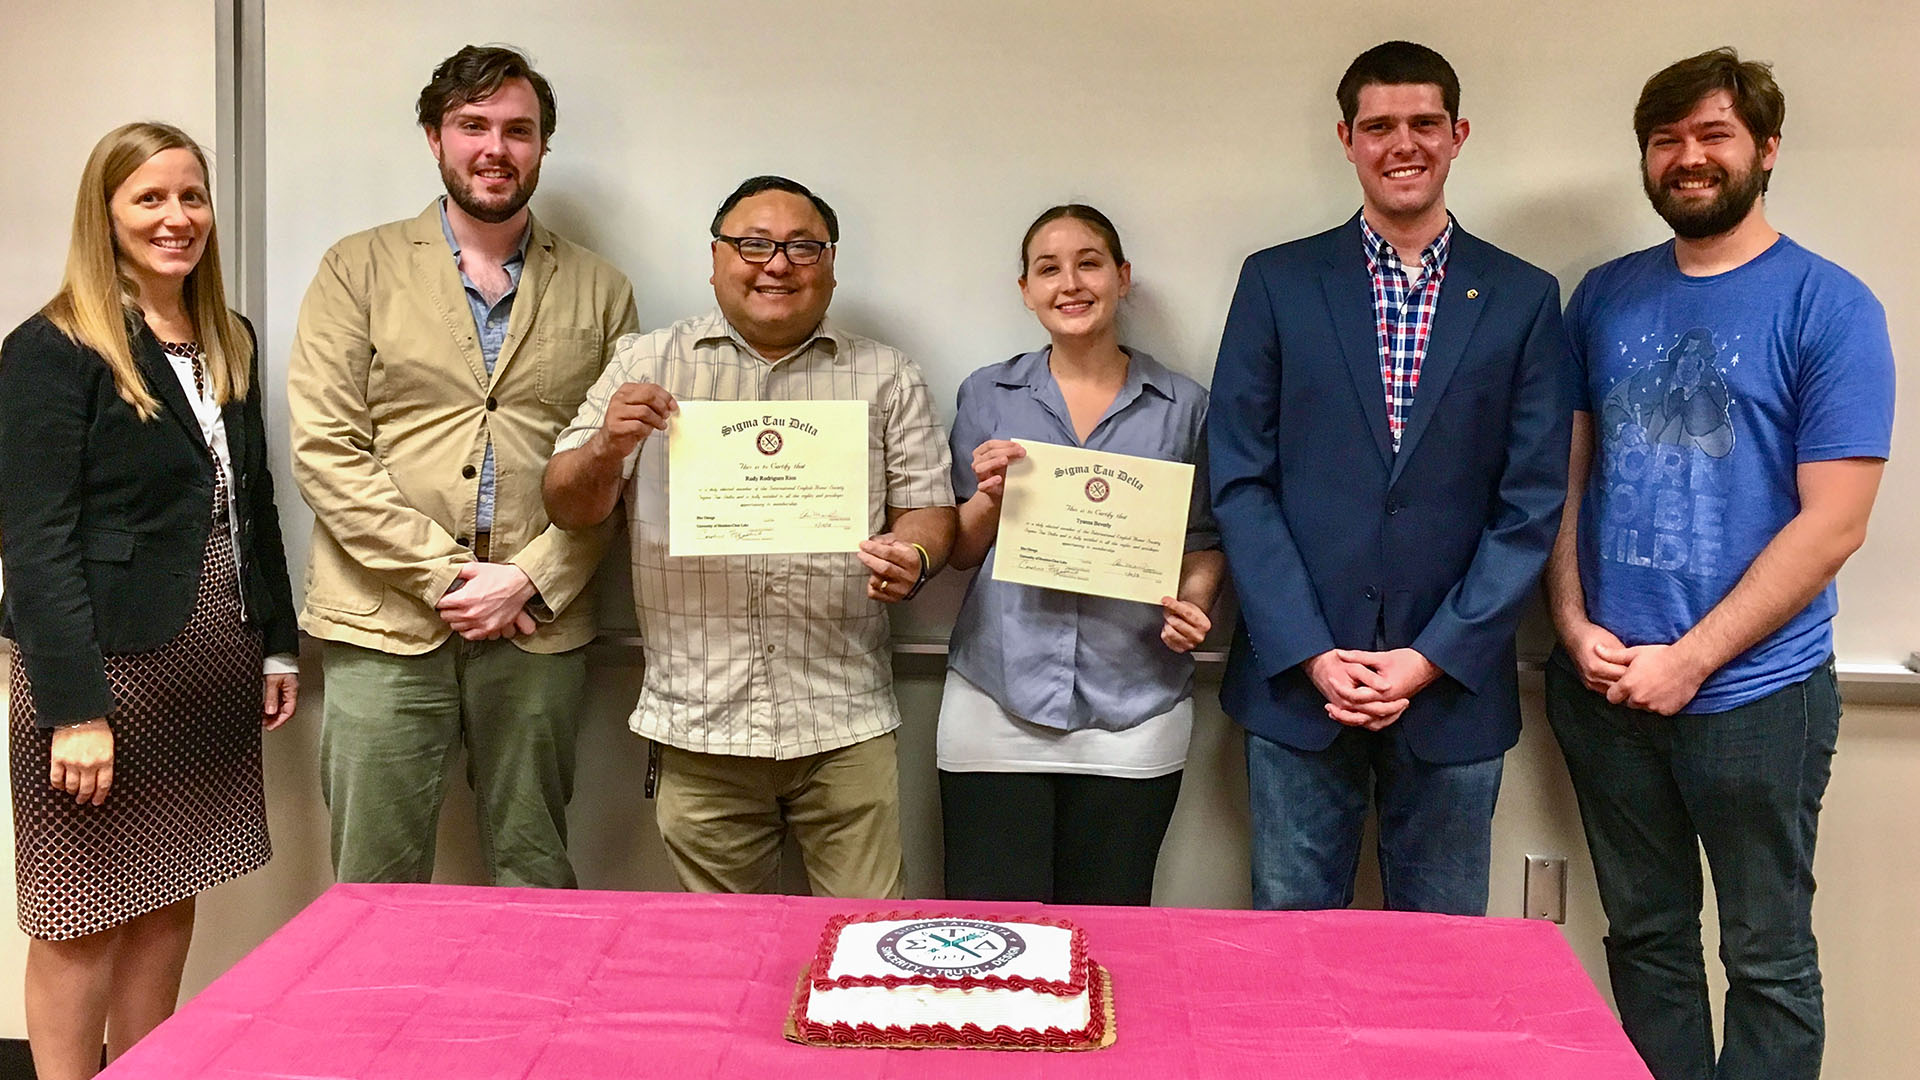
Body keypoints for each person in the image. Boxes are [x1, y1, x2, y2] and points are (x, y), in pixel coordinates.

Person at [1544, 48, 1893, 1080]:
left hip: (1756, 697)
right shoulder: (1602, 298)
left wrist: (1690, 659)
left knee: (1767, 960)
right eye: (1666, 140)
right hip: (1606, 692)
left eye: (1714, 135)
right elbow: (1562, 480)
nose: (1688, 157)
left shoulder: (1830, 306)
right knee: (1646, 940)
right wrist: (1572, 624)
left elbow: (1834, 525)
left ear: (1766, 149)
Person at [1207, 41, 1572, 914]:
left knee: (1441, 961)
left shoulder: (1523, 297)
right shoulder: (1276, 283)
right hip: (1299, 686)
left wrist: (1429, 657)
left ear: (1457, 135)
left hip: (1453, 690)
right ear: (1347, 139)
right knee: (1292, 945)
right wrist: (1310, 651)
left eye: (1423, 123)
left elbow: (1530, 504)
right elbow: (1240, 480)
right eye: (1378, 126)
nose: (1402, 144)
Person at [544, 175, 957, 898]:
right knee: (725, 949)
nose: (778, 264)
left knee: (866, 941)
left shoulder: (887, 375)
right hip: (698, 720)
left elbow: (929, 508)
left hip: (844, 720)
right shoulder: (647, 363)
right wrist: (607, 447)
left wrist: (914, 555)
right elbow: (566, 505)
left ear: (831, 264)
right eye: (754, 244)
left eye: (803, 247)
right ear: (715, 258)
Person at [287, 45, 638, 887]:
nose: (495, 148)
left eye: (518, 130)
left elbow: (615, 469)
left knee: (533, 866)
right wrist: (448, 576)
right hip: (383, 619)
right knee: (376, 877)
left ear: (543, 146)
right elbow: (327, 451)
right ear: (434, 138)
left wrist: (529, 578)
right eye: (472, 125)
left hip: (536, 625)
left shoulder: (600, 289)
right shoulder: (357, 268)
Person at [0, 122, 298, 1080]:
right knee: (80, 908)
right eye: (150, 198)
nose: (178, 218)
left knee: (171, 886)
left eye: (191, 197)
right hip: (101, 671)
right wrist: (73, 710)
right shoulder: (51, 348)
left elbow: (251, 499)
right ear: (106, 214)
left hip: (212, 653)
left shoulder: (227, 337)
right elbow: (35, 544)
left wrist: (276, 642)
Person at [938, 205, 1223, 905]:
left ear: (1122, 278)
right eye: (1048, 269)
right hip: (997, 695)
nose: (1070, 283)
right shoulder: (987, 393)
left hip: (1136, 699)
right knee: (993, 934)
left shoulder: (1185, 405)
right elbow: (963, 549)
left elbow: (1203, 540)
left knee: (1112, 928)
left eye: (1089, 263)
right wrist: (992, 498)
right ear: (1026, 290)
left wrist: (1195, 602)